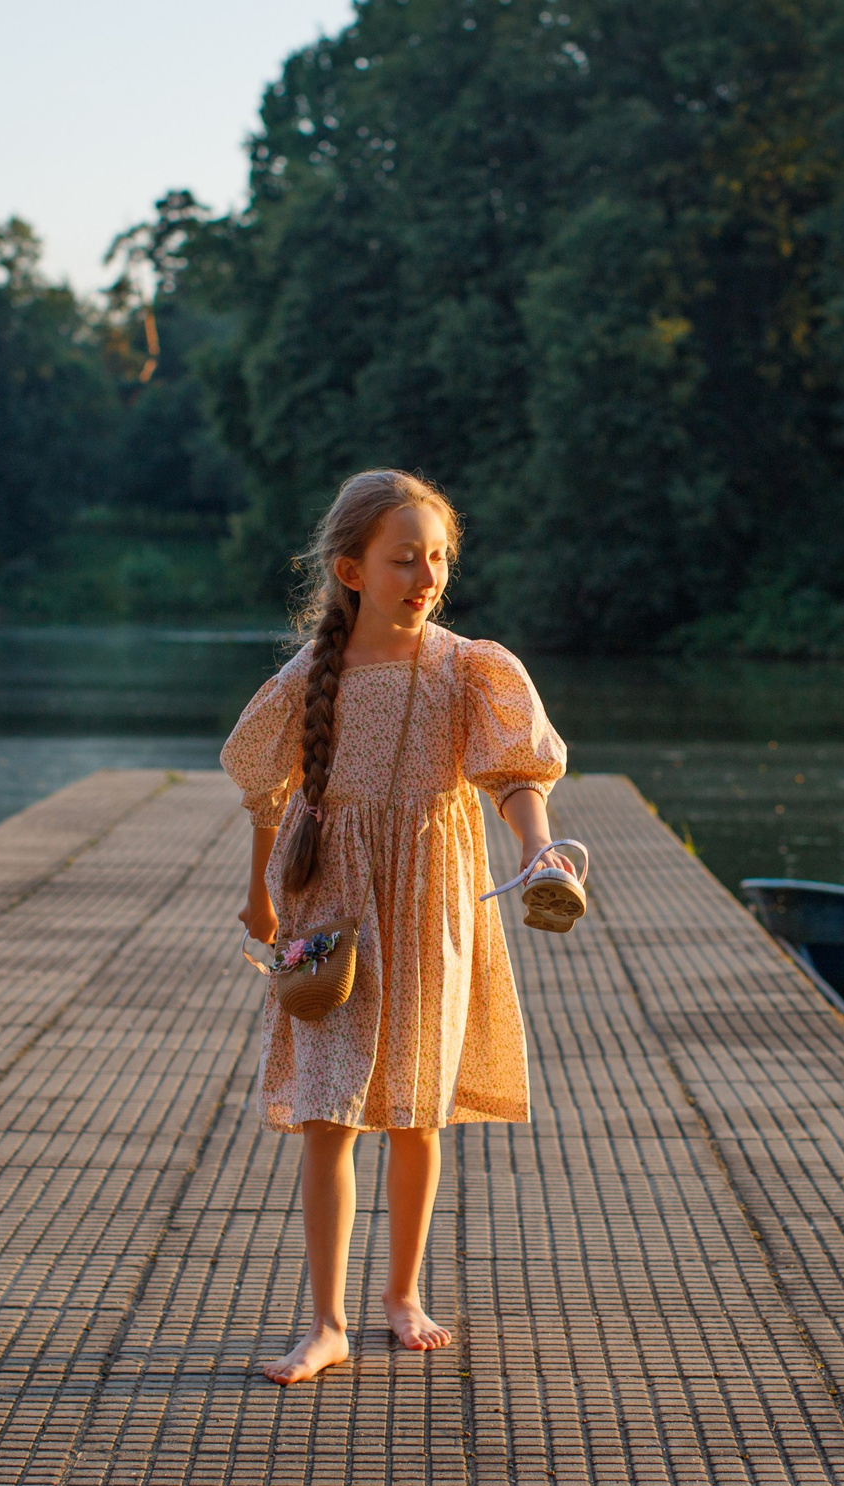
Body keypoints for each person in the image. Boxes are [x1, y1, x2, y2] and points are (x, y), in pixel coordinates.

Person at [223, 468, 579, 1386]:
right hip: (331, 905)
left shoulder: (469, 667)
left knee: (419, 1107)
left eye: (438, 558)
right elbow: (267, 784)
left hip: (434, 901)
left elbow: (516, 776)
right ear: (351, 569)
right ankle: (327, 1319)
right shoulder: (310, 677)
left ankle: (402, 1294)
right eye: (403, 559)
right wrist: (261, 893)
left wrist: (538, 851)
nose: (426, 576)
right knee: (328, 1113)